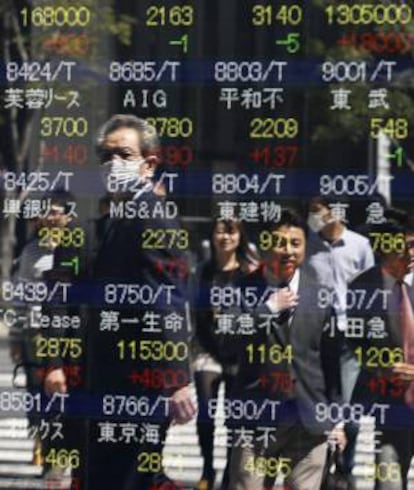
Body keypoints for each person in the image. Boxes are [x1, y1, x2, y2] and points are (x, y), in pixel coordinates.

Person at [43, 114, 196, 490]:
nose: (113, 164)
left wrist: (176, 380)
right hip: (108, 382)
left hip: (138, 385)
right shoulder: (115, 221)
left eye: (124, 154)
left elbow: (167, 299)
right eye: (106, 155)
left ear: (149, 163)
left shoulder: (152, 218)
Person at [228, 208, 344, 490]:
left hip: (309, 420)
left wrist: (336, 420)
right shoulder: (242, 289)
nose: (288, 250)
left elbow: (330, 361)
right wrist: (266, 309)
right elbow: (229, 339)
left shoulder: (320, 295)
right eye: (280, 243)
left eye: (296, 243)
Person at [306, 195, 375, 486]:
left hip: (351, 333)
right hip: (318, 333)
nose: (314, 220)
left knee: (348, 405)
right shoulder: (309, 247)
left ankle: (345, 467)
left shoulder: (360, 245)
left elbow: (373, 290)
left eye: (317, 213)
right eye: (311, 214)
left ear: (335, 214)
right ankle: (323, 466)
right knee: (322, 401)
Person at [347, 218, 414, 490]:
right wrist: (384, 367)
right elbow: (355, 342)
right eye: (405, 247)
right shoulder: (362, 288)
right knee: (390, 477)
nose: (411, 255)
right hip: (392, 400)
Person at [193, 218, 258, 490]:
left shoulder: (249, 272)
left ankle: (231, 473)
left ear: (240, 236)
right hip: (207, 348)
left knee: (234, 416)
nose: (225, 237)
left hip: (238, 352)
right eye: (220, 231)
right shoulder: (202, 271)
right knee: (206, 410)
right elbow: (196, 314)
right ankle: (208, 468)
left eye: (231, 232)